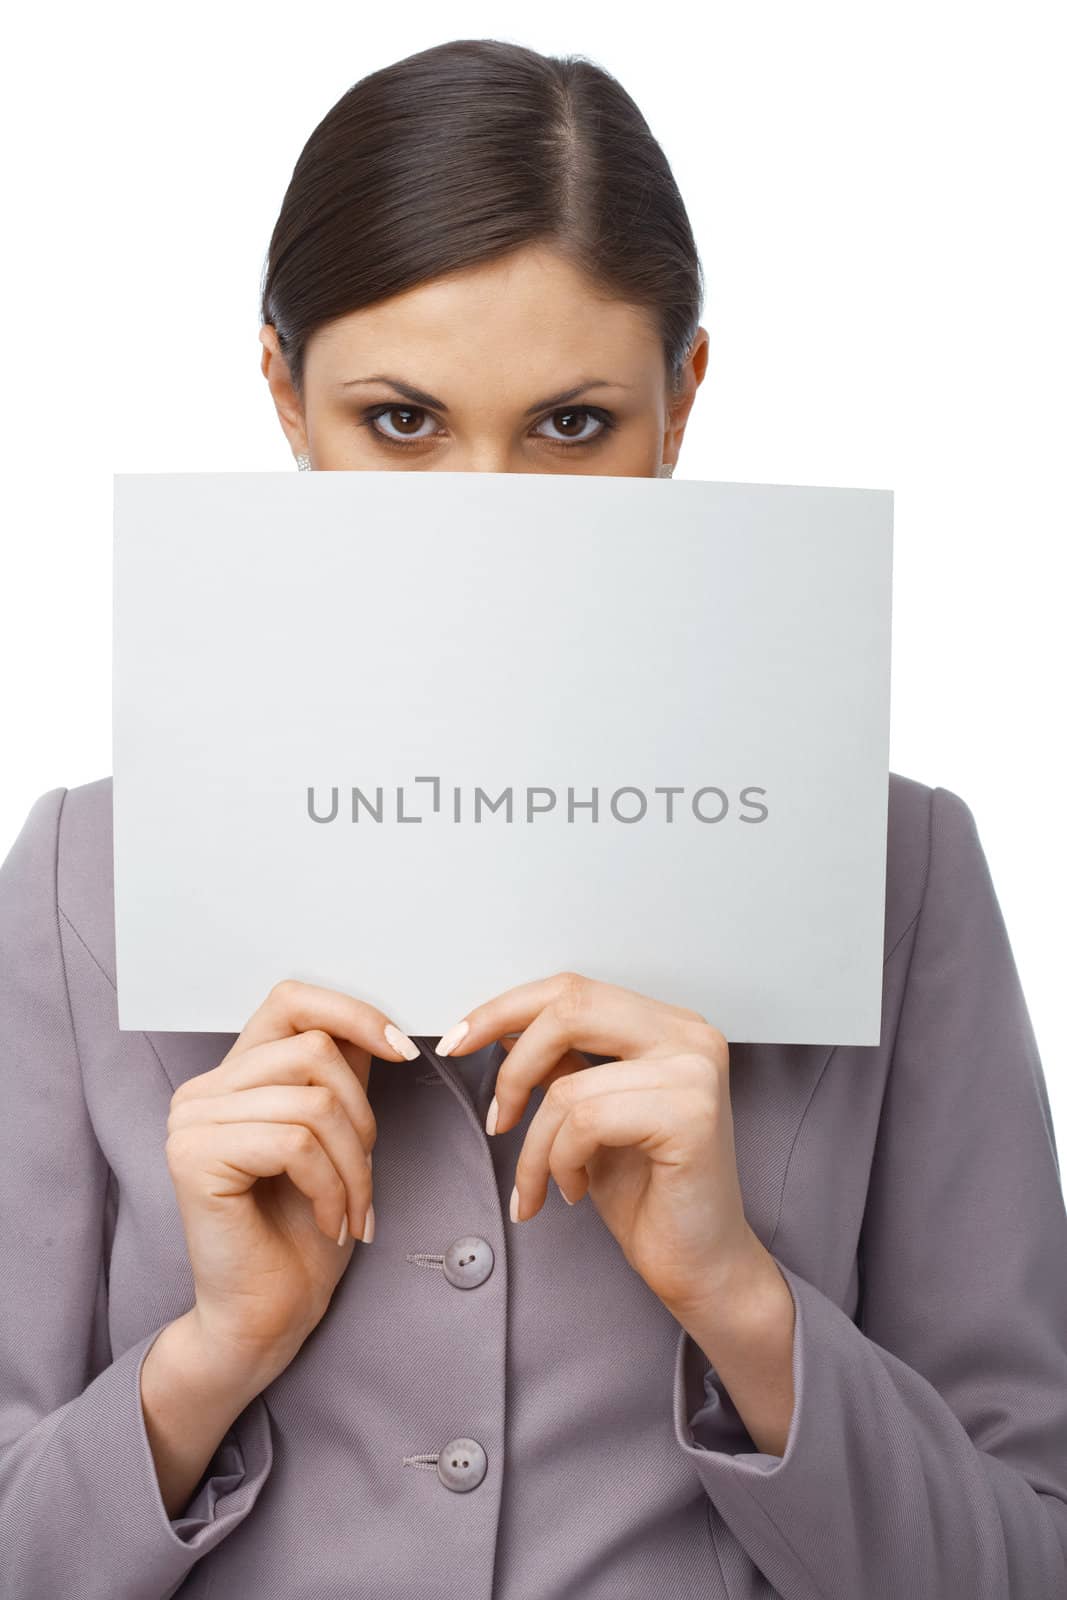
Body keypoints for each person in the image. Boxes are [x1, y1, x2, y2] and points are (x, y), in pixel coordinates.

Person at [1, 36, 1065, 1600]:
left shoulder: (897, 867)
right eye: (401, 422)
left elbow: (1028, 1557)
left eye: (571, 425)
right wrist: (207, 1361)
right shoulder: (79, 880)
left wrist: (743, 1305)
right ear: (284, 397)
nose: (483, 514)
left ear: (679, 405)